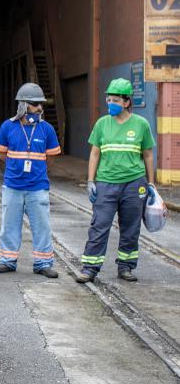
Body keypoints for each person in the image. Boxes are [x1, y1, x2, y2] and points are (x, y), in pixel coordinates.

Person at [76, 78, 156, 283]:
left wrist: (151, 184)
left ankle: (126, 266)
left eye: (115, 100)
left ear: (127, 102)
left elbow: (147, 155)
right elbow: (95, 153)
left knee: (131, 227)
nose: (110, 103)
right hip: (105, 183)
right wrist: (91, 181)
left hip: (134, 183)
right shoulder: (102, 124)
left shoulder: (141, 125)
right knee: (99, 225)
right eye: (108, 99)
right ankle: (90, 268)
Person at [0, 83, 61, 278]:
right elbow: (2, 154)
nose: (39, 108)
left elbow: (50, 158)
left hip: (38, 187)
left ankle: (43, 263)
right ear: (22, 105)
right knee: (9, 225)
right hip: (13, 186)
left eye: (40, 104)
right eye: (34, 104)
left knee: (42, 226)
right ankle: (7, 260)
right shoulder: (8, 127)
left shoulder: (47, 129)